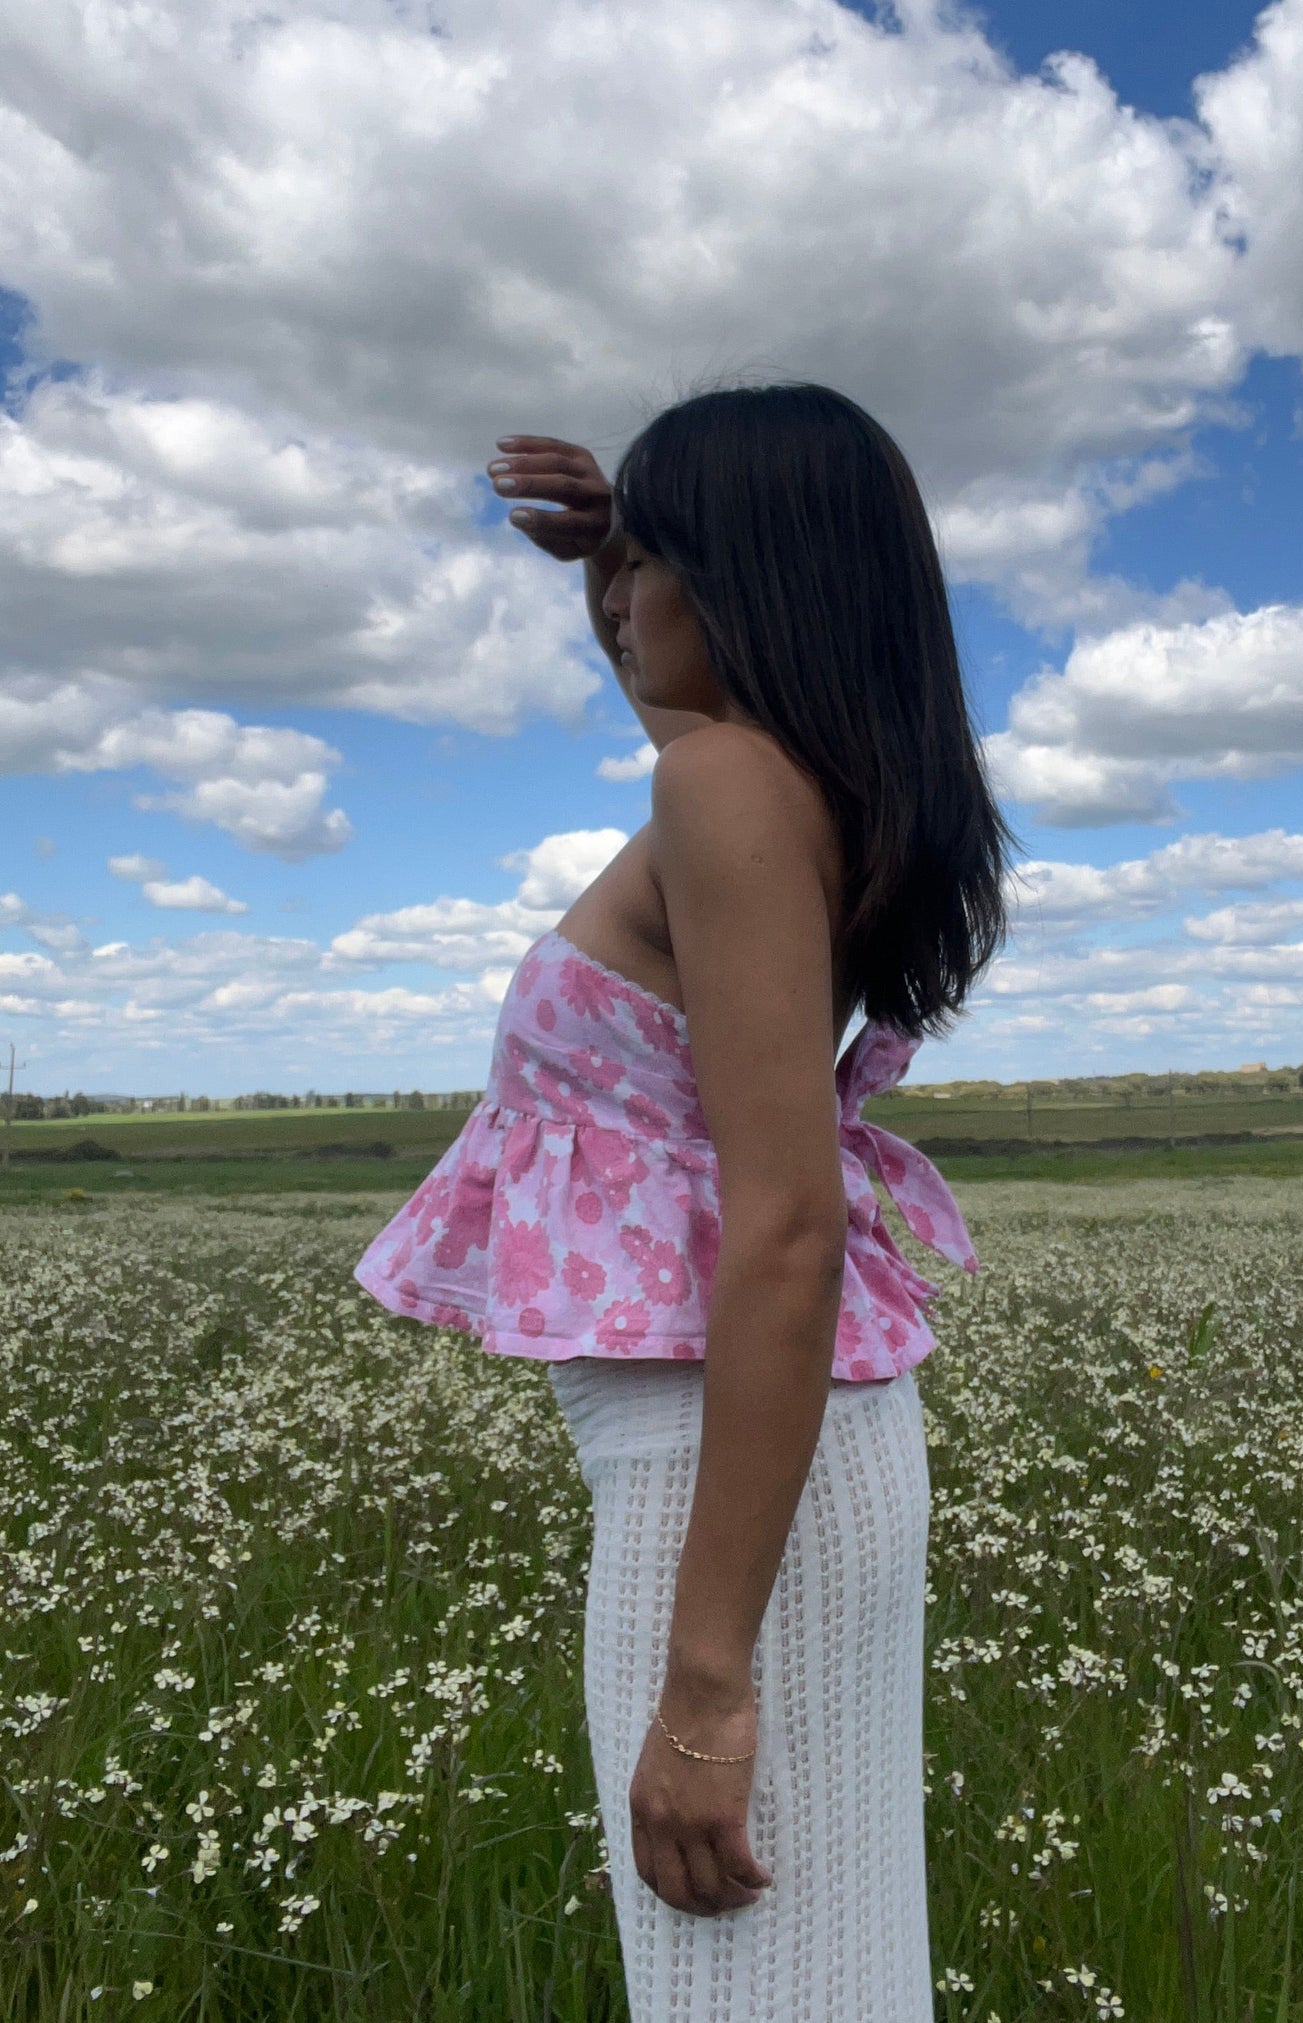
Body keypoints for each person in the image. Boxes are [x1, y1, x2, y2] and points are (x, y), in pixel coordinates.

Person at [354, 383, 1011, 2020]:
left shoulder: (726, 789)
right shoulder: (787, 783)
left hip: (709, 1479)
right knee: (824, 1975)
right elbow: (672, 702)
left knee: (735, 1986)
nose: (619, 602)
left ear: (741, 579)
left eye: (649, 563)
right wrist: (608, 562)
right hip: (786, 1471)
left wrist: (705, 1688)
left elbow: (787, 1228)